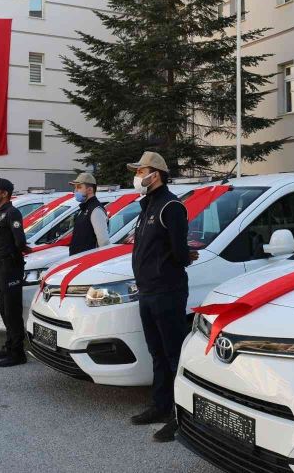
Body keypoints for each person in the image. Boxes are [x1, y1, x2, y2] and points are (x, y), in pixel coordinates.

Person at [127, 152, 194, 443]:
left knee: (173, 354)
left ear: (156, 174)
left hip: (167, 291)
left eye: (142, 171)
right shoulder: (148, 205)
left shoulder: (171, 206)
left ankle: (179, 418)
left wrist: (185, 256)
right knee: (156, 352)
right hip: (147, 290)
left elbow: (179, 252)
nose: (138, 176)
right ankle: (160, 405)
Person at [0, 178, 31, 367]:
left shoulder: (12, 213)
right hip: (1, 266)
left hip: (11, 267)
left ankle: (18, 352)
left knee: (12, 310)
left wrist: (20, 252)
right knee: (4, 308)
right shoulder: (0, 213)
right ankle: (9, 345)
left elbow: (19, 241)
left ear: (4, 193)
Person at [68, 172, 110, 257]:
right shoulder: (84, 208)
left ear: (90, 190)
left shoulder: (96, 209)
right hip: (77, 259)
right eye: (75, 187)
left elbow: (103, 241)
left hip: (88, 261)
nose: (75, 191)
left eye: (79, 187)